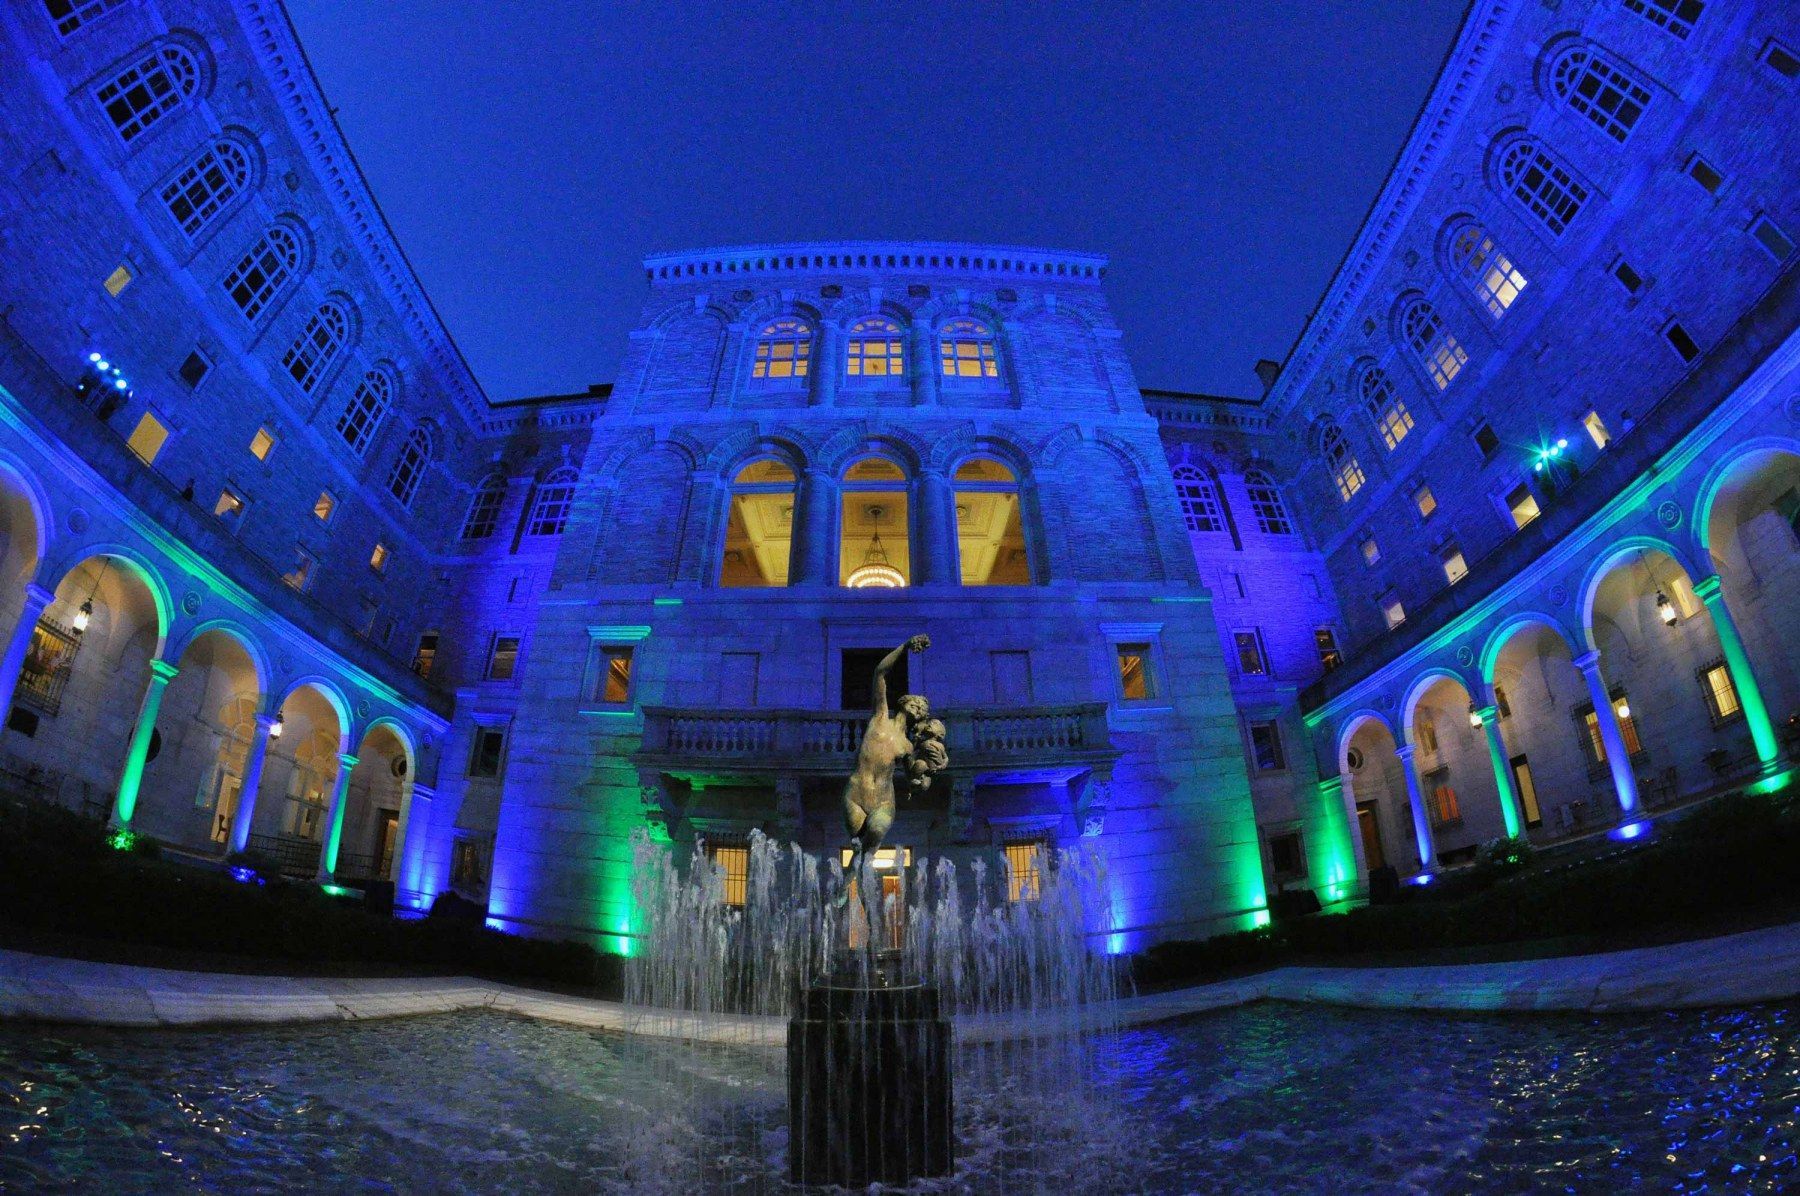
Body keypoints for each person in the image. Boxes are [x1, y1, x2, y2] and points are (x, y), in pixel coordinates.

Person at [838, 635, 946, 912]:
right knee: (861, 848)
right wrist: (905, 647)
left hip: (885, 799)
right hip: (856, 791)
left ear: (921, 717)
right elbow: (880, 672)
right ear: (904, 702)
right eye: (916, 702)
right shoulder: (880, 716)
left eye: (922, 707)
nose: (918, 706)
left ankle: (849, 885)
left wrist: (926, 775)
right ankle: (860, 897)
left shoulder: (909, 746)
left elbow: (915, 779)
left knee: (873, 834)